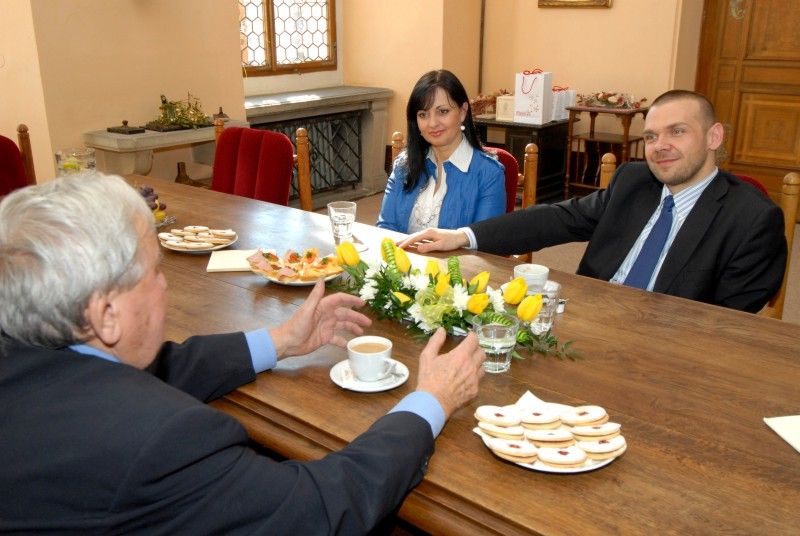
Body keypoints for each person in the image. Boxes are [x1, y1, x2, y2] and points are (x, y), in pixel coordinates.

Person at [0, 173, 486, 534]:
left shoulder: (32, 360)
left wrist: (281, 342)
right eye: (154, 271)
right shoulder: (160, 444)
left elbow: (165, 368)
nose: (165, 285)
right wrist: (433, 400)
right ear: (105, 315)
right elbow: (320, 509)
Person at [399, 90, 787, 313]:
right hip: (583, 322)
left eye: (678, 132)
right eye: (651, 136)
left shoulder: (753, 221)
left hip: (667, 360)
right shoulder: (635, 182)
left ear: (714, 137)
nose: (660, 146)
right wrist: (462, 236)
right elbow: (556, 219)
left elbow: (727, 330)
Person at [376, 69, 506, 233]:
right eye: (423, 114)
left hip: (457, 260)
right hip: (402, 258)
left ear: (463, 112)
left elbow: (486, 246)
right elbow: (385, 229)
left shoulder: (489, 173)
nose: (432, 123)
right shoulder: (404, 164)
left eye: (443, 111)